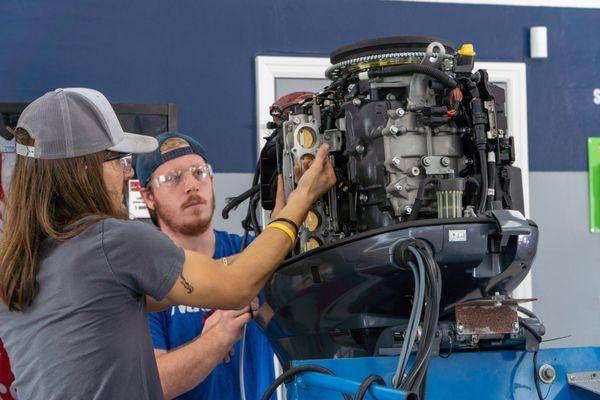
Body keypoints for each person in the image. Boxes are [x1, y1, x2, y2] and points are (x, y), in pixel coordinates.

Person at [0, 88, 336, 399]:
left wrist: (270, 238)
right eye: (119, 161)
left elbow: (213, 276)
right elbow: (235, 286)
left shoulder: (19, 263)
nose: (124, 174)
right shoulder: (110, 243)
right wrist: (301, 200)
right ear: (86, 168)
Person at [135, 132, 274, 400]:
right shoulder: (144, 277)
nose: (191, 185)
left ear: (211, 180)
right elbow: (153, 384)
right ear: (149, 197)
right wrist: (216, 339)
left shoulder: (250, 253)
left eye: (199, 172)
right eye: (173, 178)